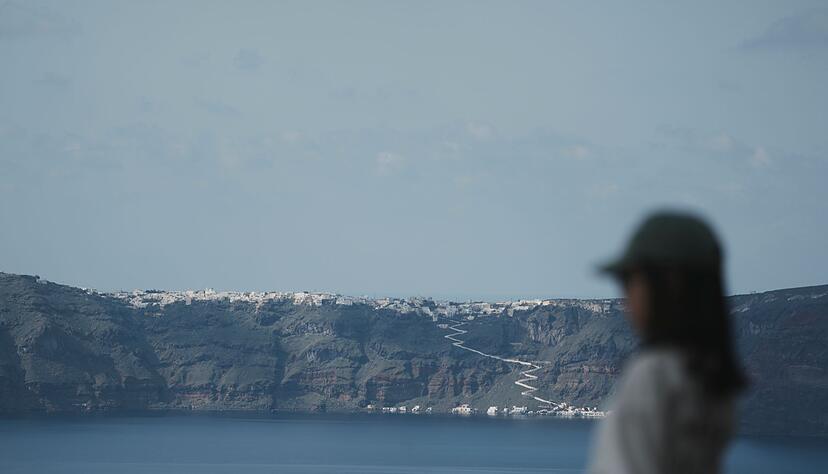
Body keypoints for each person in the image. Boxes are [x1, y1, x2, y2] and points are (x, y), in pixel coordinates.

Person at [588, 211, 747, 474]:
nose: (625, 296)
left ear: (670, 283)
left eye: (629, 280)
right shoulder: (712, 377)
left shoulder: (653, 374)